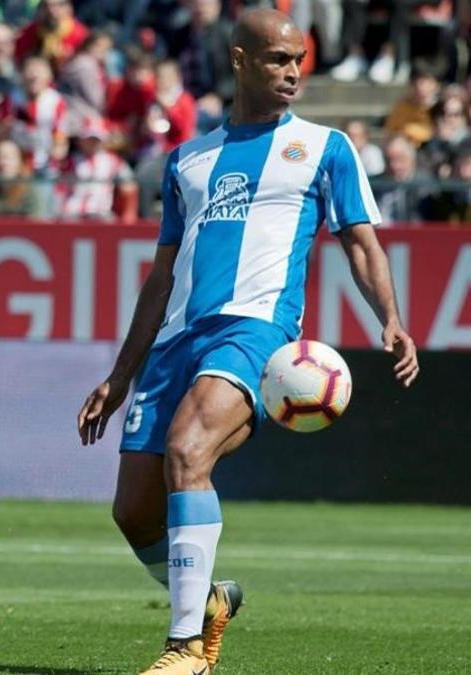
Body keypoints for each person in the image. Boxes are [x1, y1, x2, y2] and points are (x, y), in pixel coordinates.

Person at [76, 9, 419, 675]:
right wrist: (121, 375)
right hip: (177, 338)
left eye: (299, 60)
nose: (293, 72)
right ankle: (207, 601)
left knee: (188, 448)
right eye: (277, 60)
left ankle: (184, 651)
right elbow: (161, 273)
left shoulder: (325, 148)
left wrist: (391, 316)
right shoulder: (187, 159)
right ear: (239, 61)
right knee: (134, 513)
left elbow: (360, 242)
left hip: (256, 331)